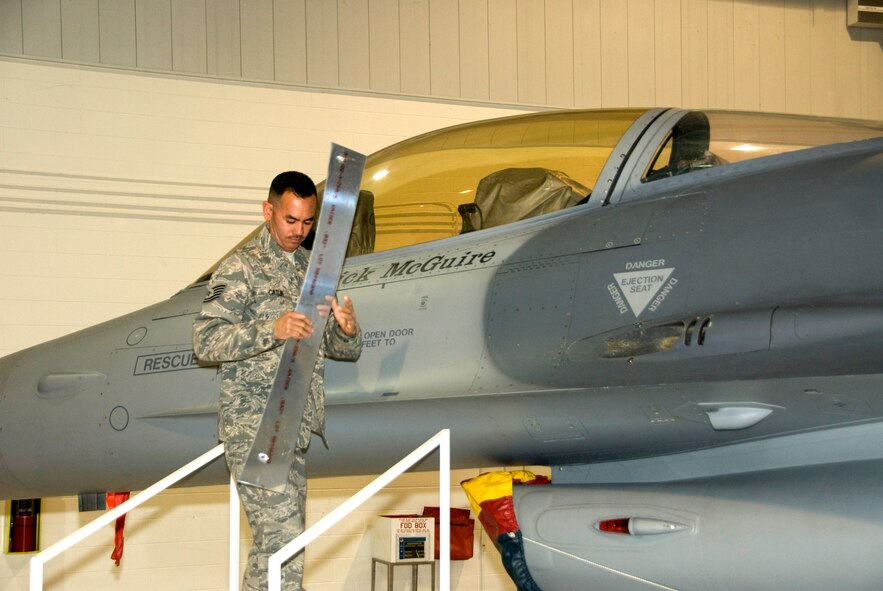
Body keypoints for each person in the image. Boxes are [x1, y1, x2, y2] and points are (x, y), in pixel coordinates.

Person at [193, 171, 362, 591]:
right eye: (290, 220)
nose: (298, 231)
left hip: (295, 426)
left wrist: (345, 330)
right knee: (281, 540)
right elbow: (206, 341)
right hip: (255, 426)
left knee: (287, 544)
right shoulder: (241, 267)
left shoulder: (312, 271)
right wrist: (271, 328)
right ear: (268, 211)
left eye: (307, 222)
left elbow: (337, 348)